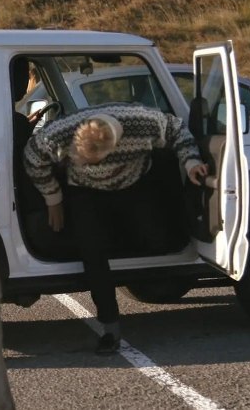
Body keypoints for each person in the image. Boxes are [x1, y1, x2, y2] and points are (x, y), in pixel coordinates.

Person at [23, 103, 209, 355]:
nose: (84, 161)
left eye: (92, 160)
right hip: (84, 190)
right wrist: (53, 197)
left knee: (156, 238)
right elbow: (33, 158)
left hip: (133, 182)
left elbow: (178, 130)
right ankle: (109, 328)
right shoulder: (59, 133)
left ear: (114, 146)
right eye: (80, 156)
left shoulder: (140, 123)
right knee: (92, 253)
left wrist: (191, 163)